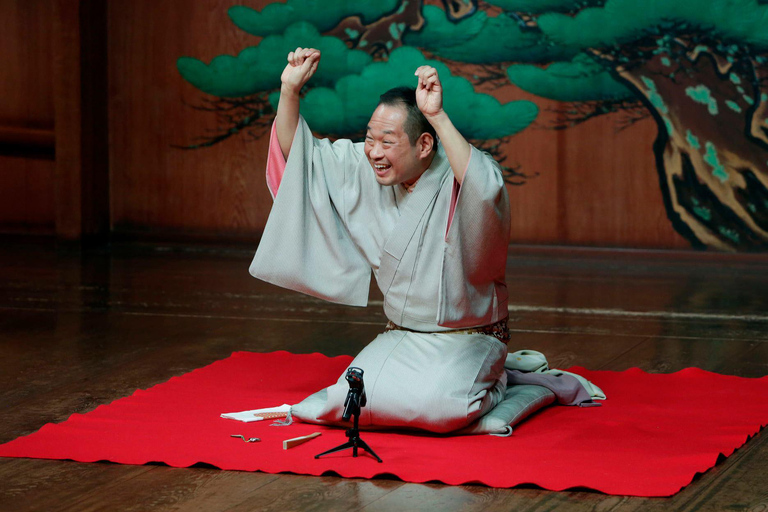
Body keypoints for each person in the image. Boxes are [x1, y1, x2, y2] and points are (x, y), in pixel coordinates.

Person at [249, 47, 515, 434]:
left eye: (387, 142)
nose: (373, 152)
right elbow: (300, 160)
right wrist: (289, 91)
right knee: (346, 402)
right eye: (370, 138)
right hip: (403, 333)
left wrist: (437, 116)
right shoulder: (363, 168)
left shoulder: (459, 172)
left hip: (468, 335)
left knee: (442, 410)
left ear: (425, 145)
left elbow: (485, 190)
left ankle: (500, 384)